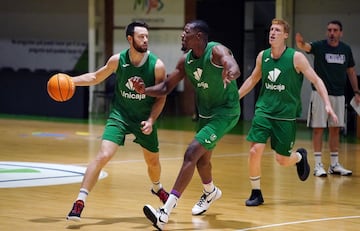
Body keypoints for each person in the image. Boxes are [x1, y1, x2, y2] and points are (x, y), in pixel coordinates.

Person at [131, 19, 241, 230]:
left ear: (198, 36)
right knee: (201, 162)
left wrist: (231, 72)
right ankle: (210, 192)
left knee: (191, 153)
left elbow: (231, 63)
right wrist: (144, 90)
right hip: (206, 115)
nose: (182, 35)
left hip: (226, 113)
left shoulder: (216, 51)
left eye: (186, 32)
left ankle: (164, 212)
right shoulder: (186, 62)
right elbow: (165, 88)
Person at [66, 21, 169, 221]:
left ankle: (157, 188)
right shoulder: (117, 60)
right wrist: (71, 81)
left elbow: (161, 97)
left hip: (143, 118)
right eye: (141, 36)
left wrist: (151, 120)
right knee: (104, 154)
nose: (146, 40)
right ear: (130, 39)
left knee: (153, 161)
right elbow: (95, 77)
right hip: (120, 115)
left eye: (147, 36)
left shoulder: (157, 66)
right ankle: (79, 202)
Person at [238, 18, 338, 206]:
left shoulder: (296, 58)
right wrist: (235, 97)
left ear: (285, 35)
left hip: (285, 116)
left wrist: (327, 104)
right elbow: (252, 80)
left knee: (282, 160)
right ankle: (256, 192)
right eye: (271, 29)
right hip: (264, 112)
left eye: (277, 30)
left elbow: (316, 80)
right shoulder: (263, 56)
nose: (272, 32)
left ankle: (300, 157)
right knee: (254, 150)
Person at [296, 20, 360, 177]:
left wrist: (356, 92)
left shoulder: (345, 49)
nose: (332, 33)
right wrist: (300, 43)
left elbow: (351, 71)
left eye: (335, 30)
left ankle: (334, 164)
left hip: (339, 95)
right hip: (319, 94)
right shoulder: (319, 46)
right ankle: (318, 164)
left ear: (340, 33)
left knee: (335, 129)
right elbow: (306, 47)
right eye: (329, 30)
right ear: (327, 32)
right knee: (318, 129)